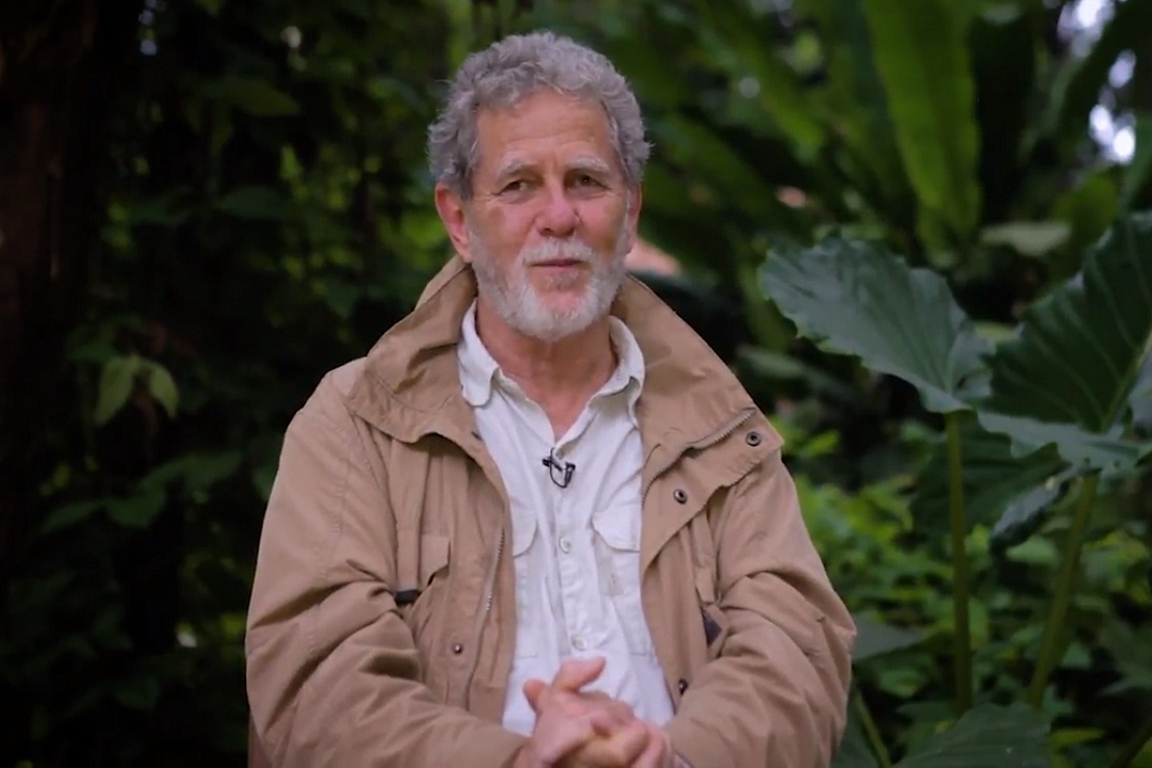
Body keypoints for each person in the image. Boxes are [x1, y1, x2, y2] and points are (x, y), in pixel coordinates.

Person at [245, 30, 856, 768]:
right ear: (459, 220)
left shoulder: (720, 428)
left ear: (631, 213)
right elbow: (319, 683)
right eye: (518, 186)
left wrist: (671, 758)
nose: (559, 217)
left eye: (587, 182)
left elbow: (797, 651)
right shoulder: (354, 424)